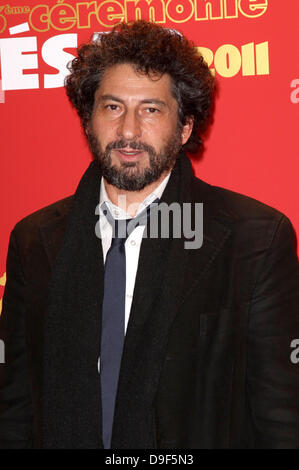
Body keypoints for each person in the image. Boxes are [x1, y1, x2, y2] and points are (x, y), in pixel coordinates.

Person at [0, 20, 299, 450]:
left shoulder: (253, 241)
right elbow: (15, 408)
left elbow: (280, 418)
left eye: (151, 110)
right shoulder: (34, 241)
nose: (128, 132)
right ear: (88, 119)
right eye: (113, 107)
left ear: (185, 128)